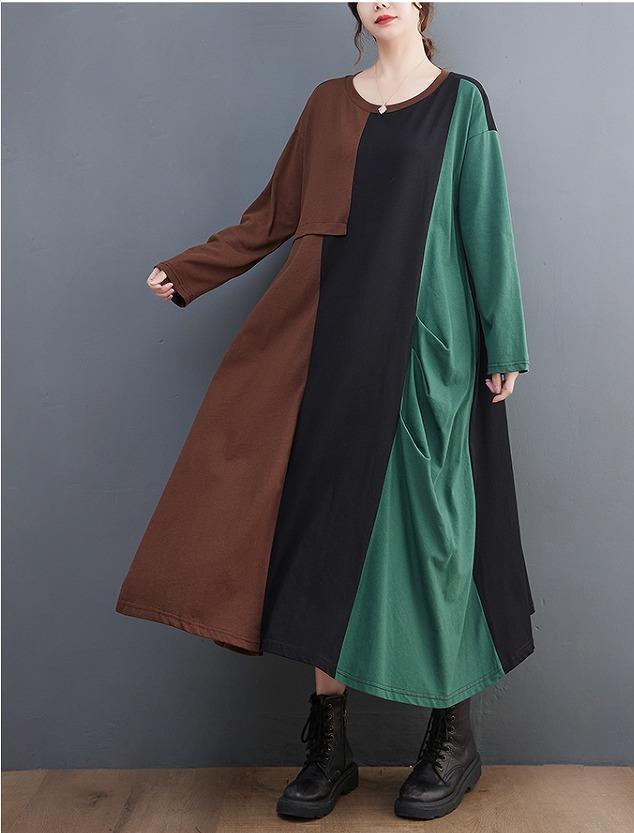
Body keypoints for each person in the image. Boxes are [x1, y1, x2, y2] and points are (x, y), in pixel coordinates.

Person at [116, 0, 535, 821]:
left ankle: (452, 736)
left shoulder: (461, 101)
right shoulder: (325, 104)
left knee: (437, 537)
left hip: (427, 348)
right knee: (324, 534)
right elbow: (274, 212)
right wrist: (194, 269)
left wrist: (503, 341)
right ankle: (328, 745)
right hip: (330, 347)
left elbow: (484, 222)